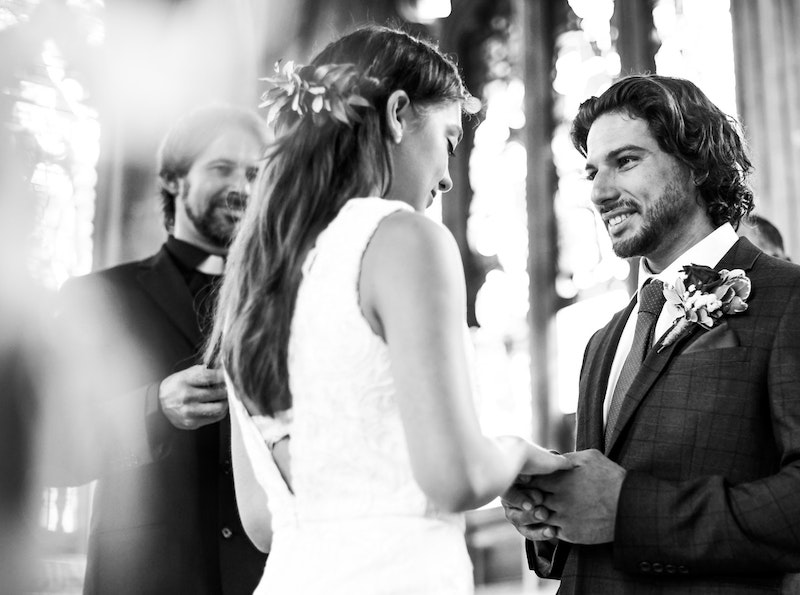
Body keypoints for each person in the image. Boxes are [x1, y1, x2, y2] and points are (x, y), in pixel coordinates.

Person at [206, 25, 572, 594]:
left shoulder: (256, 277)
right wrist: (516, 453)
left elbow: (262, 522)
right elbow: (457, 477)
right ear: (398, 114)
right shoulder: (404, 239)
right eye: (449, 140)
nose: (447, 177)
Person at [501, 74, 800, 594]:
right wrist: (550, 514)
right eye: (592, 171)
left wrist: (629, 511)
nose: (599, 192)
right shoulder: (603, 342)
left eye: (625, 161)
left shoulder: (788, 299)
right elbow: (596, 517)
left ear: (697, 163)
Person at [46, 104, 270, 594]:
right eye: (222, 168)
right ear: (173, 180)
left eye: (255, 173)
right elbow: (53, 452)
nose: (242, 187)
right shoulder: (99, 297)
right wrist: (155, 407)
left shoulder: (281, 303)